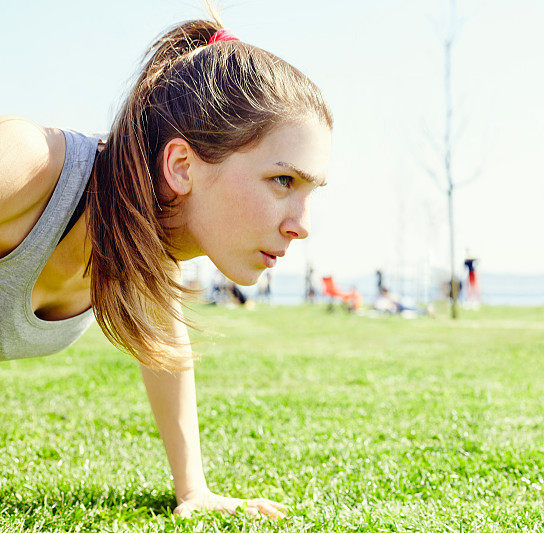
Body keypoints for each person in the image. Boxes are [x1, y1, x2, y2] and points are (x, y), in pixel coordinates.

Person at [0, 12, 331, 520]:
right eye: (283, 180)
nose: (301, 225)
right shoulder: (29, 164)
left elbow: (167, 359)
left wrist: (193, 491)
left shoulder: (148, 257)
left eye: (311, 192)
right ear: (181, 166)